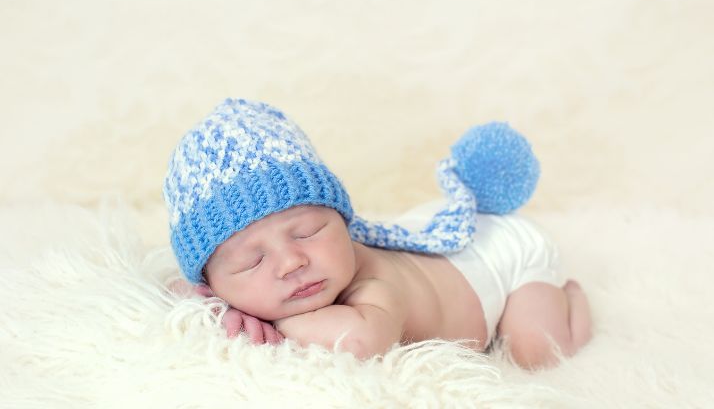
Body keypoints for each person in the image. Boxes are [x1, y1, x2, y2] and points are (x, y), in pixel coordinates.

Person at [164, 98, 592, 369]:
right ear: (213, 281)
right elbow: (179, 290)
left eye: (310, 231)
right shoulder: (245, 278)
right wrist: (207, 303)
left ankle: (570, 296)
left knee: (537, 353)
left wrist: (263, 319)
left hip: (503, 256)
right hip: (449, 255)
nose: (293, 261)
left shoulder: (371, 281)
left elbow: (362, 339)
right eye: (252, 261)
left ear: (343, 222)